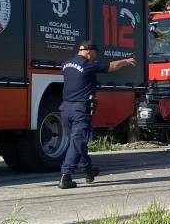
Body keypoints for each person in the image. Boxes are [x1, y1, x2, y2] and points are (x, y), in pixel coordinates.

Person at [58, 39, 137, 189]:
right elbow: (111, 66)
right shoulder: (88, 64)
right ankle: (66, 176)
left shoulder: (66, 64)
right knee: (77, 143)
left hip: (65, 109)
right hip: (80, 109)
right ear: (88, 52)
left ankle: (88, 172)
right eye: (94, 54)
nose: (95, 58)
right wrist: (126, 61)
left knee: (77, 143)